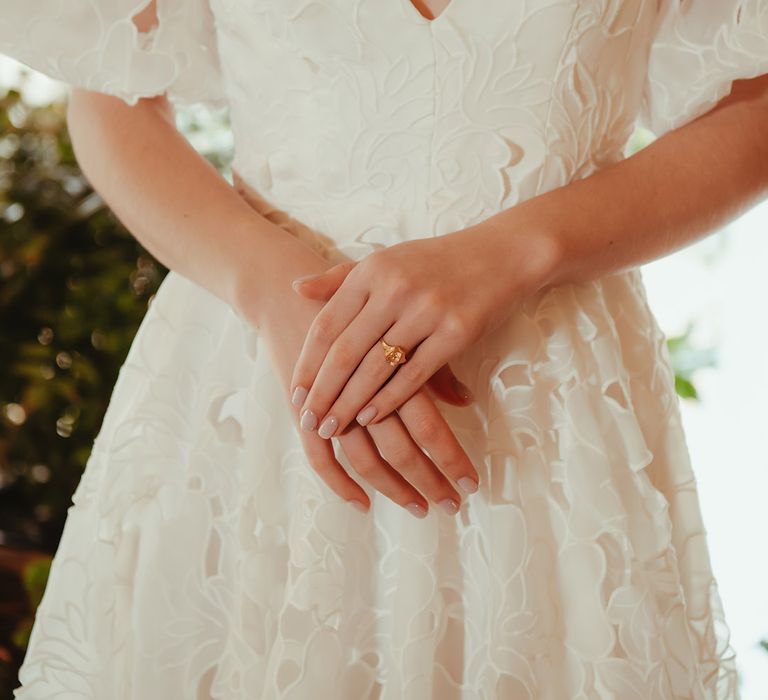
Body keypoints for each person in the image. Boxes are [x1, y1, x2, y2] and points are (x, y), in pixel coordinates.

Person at [1, 0, 767, 697]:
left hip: (549, 409)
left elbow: (755, 104)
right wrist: (273, 290)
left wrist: (518, 251)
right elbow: (113, 97)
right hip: (261, 381)